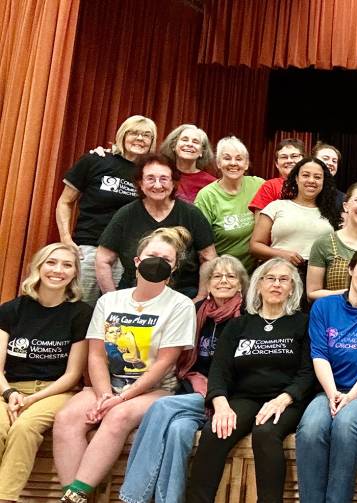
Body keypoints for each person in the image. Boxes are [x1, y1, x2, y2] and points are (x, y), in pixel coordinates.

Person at [52, 227, 197, 503]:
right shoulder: (110, 301)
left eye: (166, 259)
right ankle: (72, 496)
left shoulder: (180, 305)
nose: (158, 262)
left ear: (174, 267)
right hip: (107, 384)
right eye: (153, 255)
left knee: (118, 417)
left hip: (154, 390)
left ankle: (75, 495)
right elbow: (96, 355)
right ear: (137, 260)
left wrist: (121, 399)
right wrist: (105, 394)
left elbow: (165, 363)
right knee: (67, 418)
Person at [118, 256, 248, 503]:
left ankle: (132, 497)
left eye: (230, 276)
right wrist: (195, 379)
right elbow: (182, 361)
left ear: (241, 285)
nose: (223, 281)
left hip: (227, 398)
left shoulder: (246, 317)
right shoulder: (195, 311)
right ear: (207, 284)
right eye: (216, 276)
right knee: (178, 431)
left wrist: (212, 389)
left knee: (162, 405)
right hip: (191, 390)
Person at [186, 258, 314, 503]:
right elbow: (219, 370)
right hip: (244, 397)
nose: (276, 284)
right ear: (258, 285)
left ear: (293, 288)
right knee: (215, 432)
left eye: (283, 279)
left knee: (265, 433)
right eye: (270, 278)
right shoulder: (239, 324)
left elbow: (308, 372)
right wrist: (221, 405)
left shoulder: (302, 323)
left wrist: (283, 399)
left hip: (286, 399)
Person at [296, 246, 357, 503]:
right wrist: (333, 394)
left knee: (346, 425)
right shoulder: (324, 307)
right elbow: (319, 354)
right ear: (350, 270)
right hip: (330, 388)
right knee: (310, 429)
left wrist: (350, 397)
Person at [0, 244, 91, 502]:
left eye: (67, 265)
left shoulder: (81, 313)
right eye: (51, 262)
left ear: (74, 273)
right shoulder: (10, 310)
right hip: (11, 388)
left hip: (55, 391)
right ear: (38, 267)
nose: (58, 270)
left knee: (25, 427)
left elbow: (72, 375)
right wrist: (9, 392)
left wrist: (32, 400)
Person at [56, 115, 157, 304]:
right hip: (90, 248)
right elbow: (65, 202)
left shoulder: (149, 173)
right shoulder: (95, 160)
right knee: (80, 308)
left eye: (146, 135)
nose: (140, 138)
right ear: (122, 135)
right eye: (134, 133)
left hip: (126, 254)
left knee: (117, 313)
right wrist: (65, 238)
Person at [95, 153, 216, 300]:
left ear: (173, 183)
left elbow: (208, 258)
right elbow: (103, 259)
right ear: (140, 183)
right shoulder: (126, 214)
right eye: (150, 178)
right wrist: (112, 299)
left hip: (182, 295)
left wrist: (200, 298)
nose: (157, 185)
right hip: (133, 293)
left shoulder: (191, 214)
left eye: (164, 179)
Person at [250, 157, 340, 284]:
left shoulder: (332, 213)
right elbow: (255, 246)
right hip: (278, 275)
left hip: (317, 279)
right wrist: (282, 255)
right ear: (296, 178)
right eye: (305, 175)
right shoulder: (277, 206)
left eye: (317, 177)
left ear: (324, 182)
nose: (311, 180)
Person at [194, 136, 265, 271]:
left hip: (257, 272)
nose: (233, 163)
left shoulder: (259, 185)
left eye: (239, 159)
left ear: (246, 164)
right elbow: (203, 247)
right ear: (218, 163)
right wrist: (223, 274)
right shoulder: (206, 196)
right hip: (222, 271)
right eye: (227, 158)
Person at [158, 124, 216, 204]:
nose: (189, 144)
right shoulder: (160, 174)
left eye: (195, 142)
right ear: (173, 146)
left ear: (202, 152)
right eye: (185, 140)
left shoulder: (211, 183)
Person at [248, 138, 306, 213]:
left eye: (294, 156)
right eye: (284, 157)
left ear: (304, 160)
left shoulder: (312, 184)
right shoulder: (270, 187)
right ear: (276, 164)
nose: (289, 160)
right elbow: (260, 223)